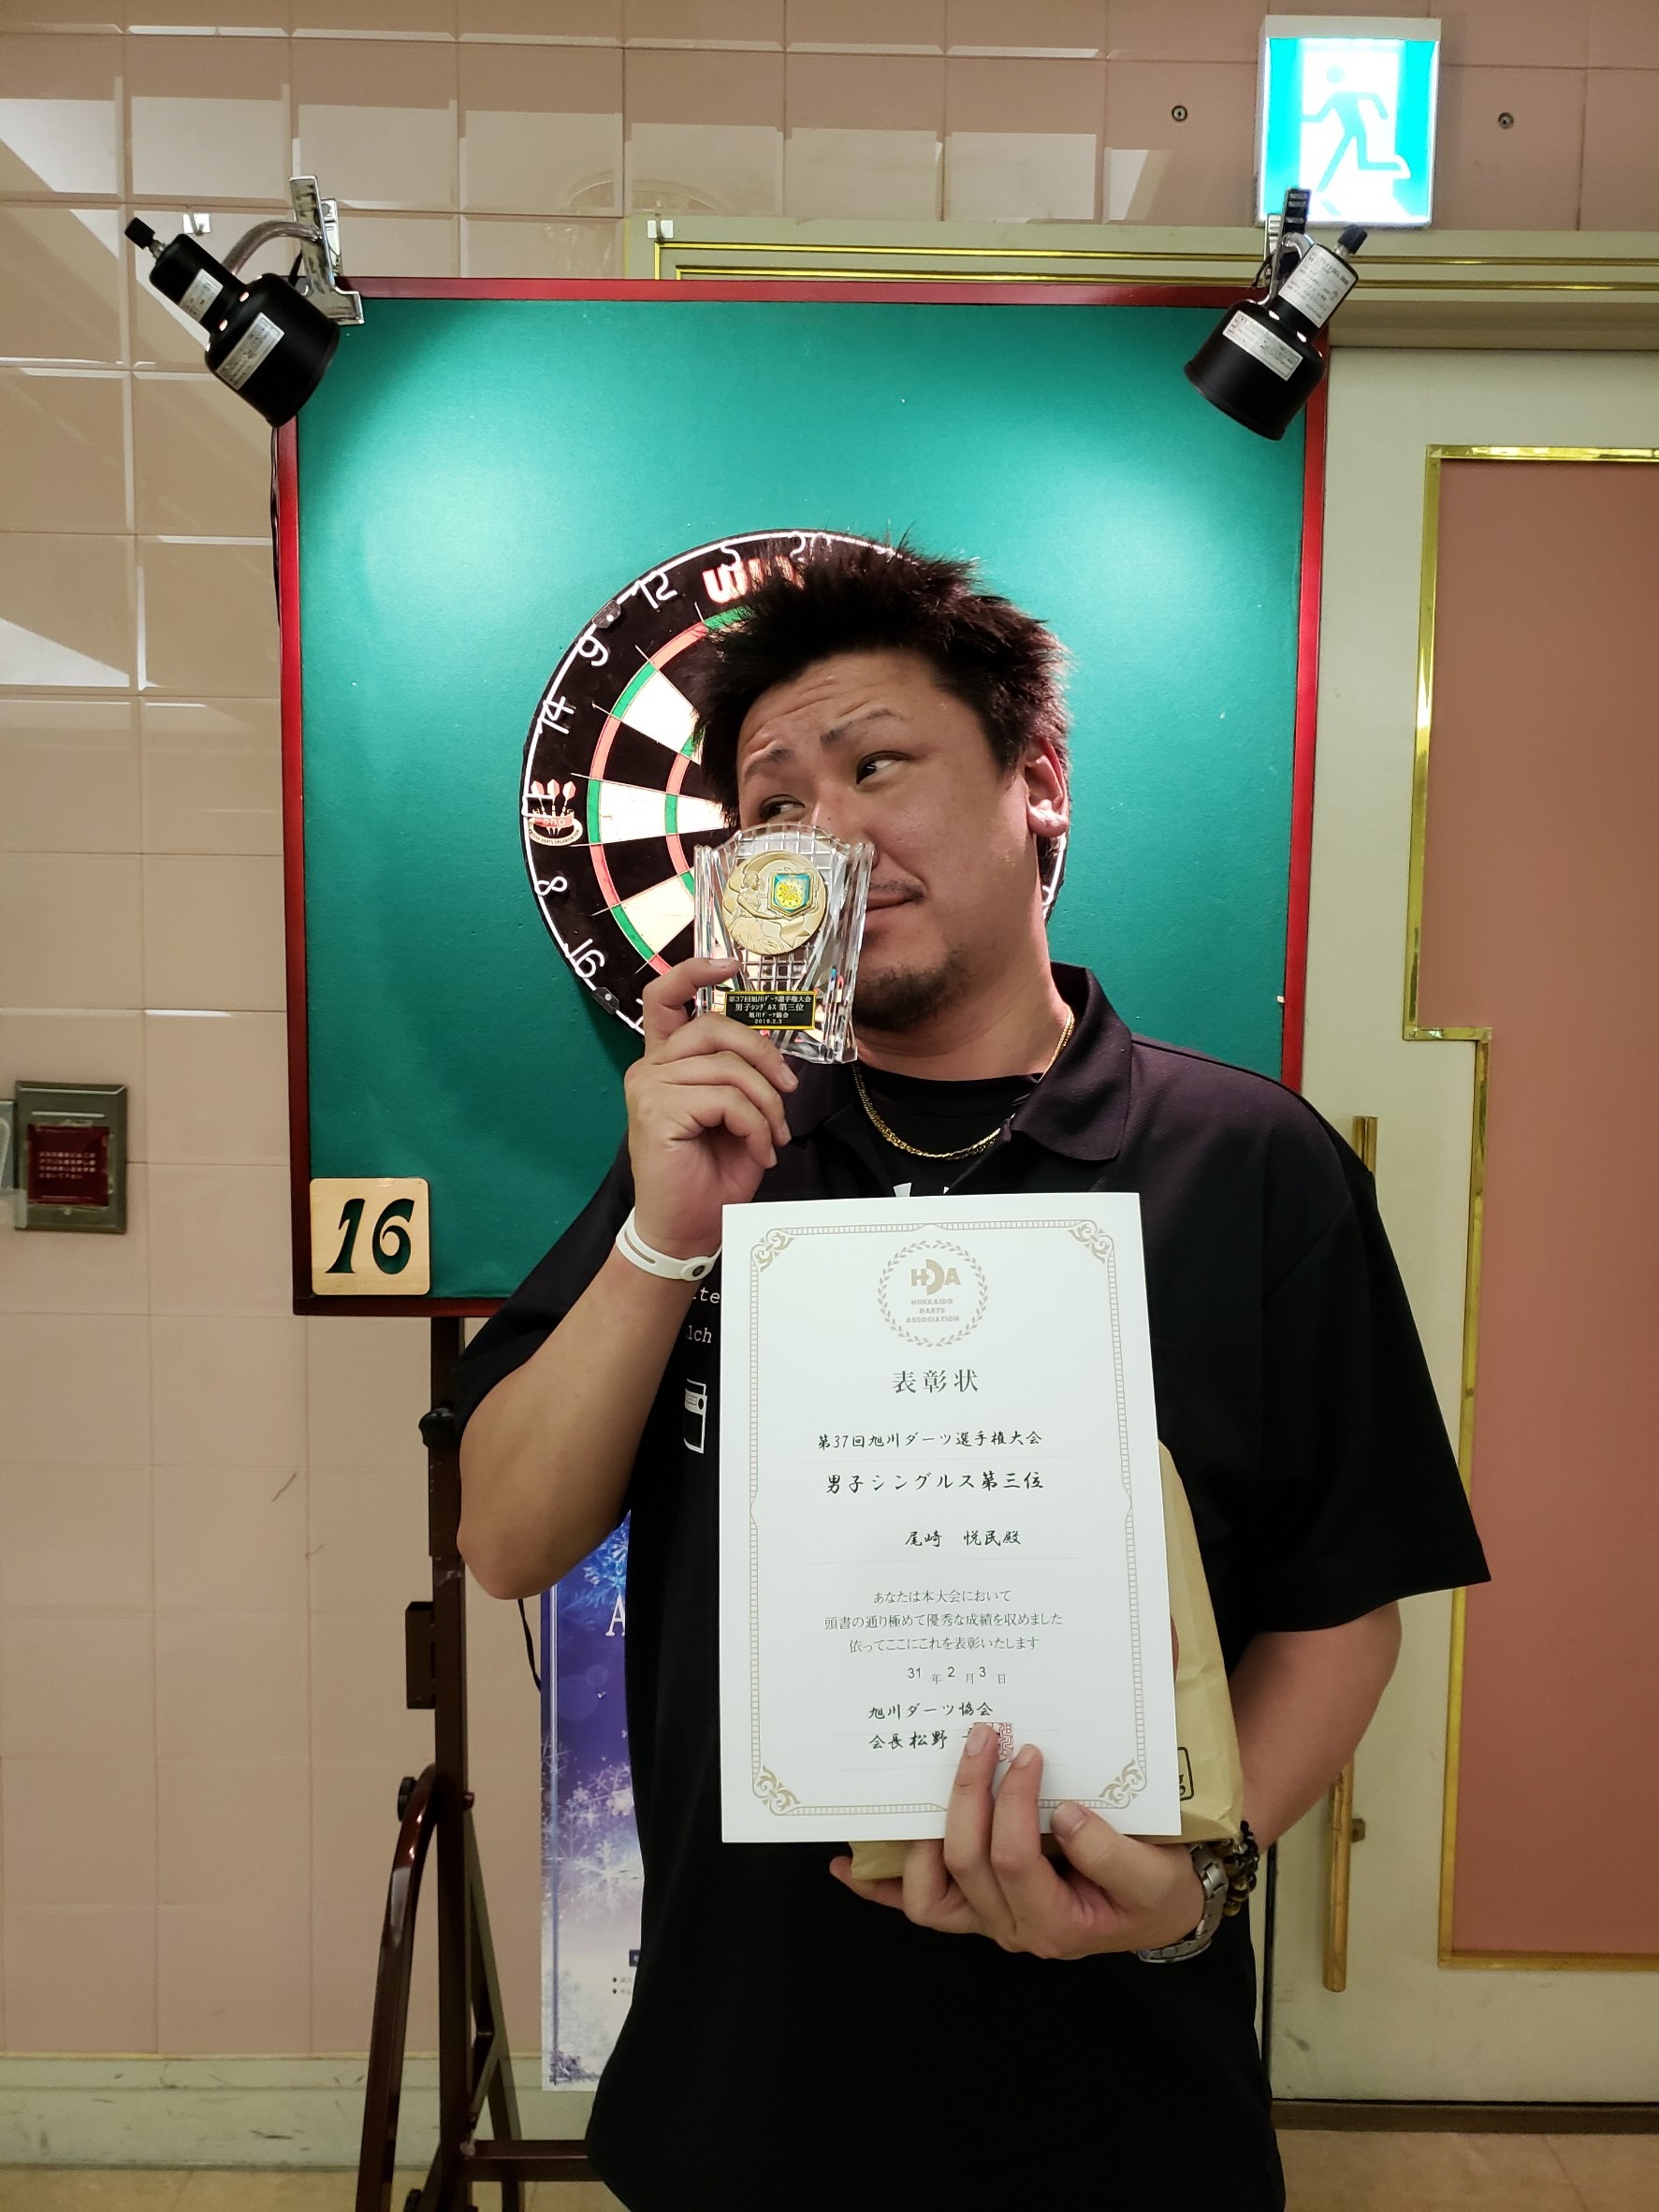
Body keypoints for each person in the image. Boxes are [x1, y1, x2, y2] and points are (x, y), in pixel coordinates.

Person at [452, 542, 1488, 2211]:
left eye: (879, 765)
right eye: (775, 803)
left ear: (1037, 784)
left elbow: (1341, 1603)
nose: (832, 832)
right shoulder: (720, 1151)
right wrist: (664, 1238)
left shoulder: (1248, 1164)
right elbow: (506, 1540)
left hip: (1124, 2101)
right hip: (747, 2091)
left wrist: (1200, 1886)